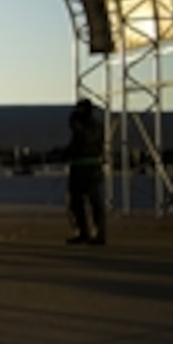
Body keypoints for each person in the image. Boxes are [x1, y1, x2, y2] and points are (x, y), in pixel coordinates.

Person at [66, 98, 106, 245]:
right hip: (77, 167)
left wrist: (76, 125)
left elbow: (87, 139)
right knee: (75, 202)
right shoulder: (79, 126)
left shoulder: (93, 126)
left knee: (94, 202)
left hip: (90, 167)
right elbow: (76, 144)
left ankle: (99, 233)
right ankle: (83, 231)